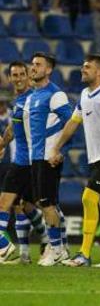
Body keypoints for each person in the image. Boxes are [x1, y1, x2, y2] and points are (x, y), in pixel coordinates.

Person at [50, 54, 100, 267]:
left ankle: (84, 254)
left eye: (87, 67)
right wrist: (56, 147)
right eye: (82, 66)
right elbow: (72, 123)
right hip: (97, 157)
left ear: (99, 72)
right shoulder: (85, 95)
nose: (82, 69)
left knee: (88, 197)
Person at [23, 52, 73, 266]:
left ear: (49, 70)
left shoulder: (56, 95)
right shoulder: (33, 95)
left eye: (38, 64)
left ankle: (56, 250)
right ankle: (61, 246)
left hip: (48, 157)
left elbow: (72, 123)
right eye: (32, 64)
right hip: (35, 156)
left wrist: (60, 150)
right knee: (46, 203)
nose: (33, 67)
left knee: (47, 203)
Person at [0, 61, 45, 265]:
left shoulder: (32, 99)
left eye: (21, 74)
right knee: (24, 205)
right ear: (10, 78)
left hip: (25, 161)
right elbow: (12, 129)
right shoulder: (19, 101)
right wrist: (2, 144)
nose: (17, 78)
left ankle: (3, 245)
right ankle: (42, 242)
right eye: (14, 75)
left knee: (4, 203)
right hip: (26, 161)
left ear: (28, 76)